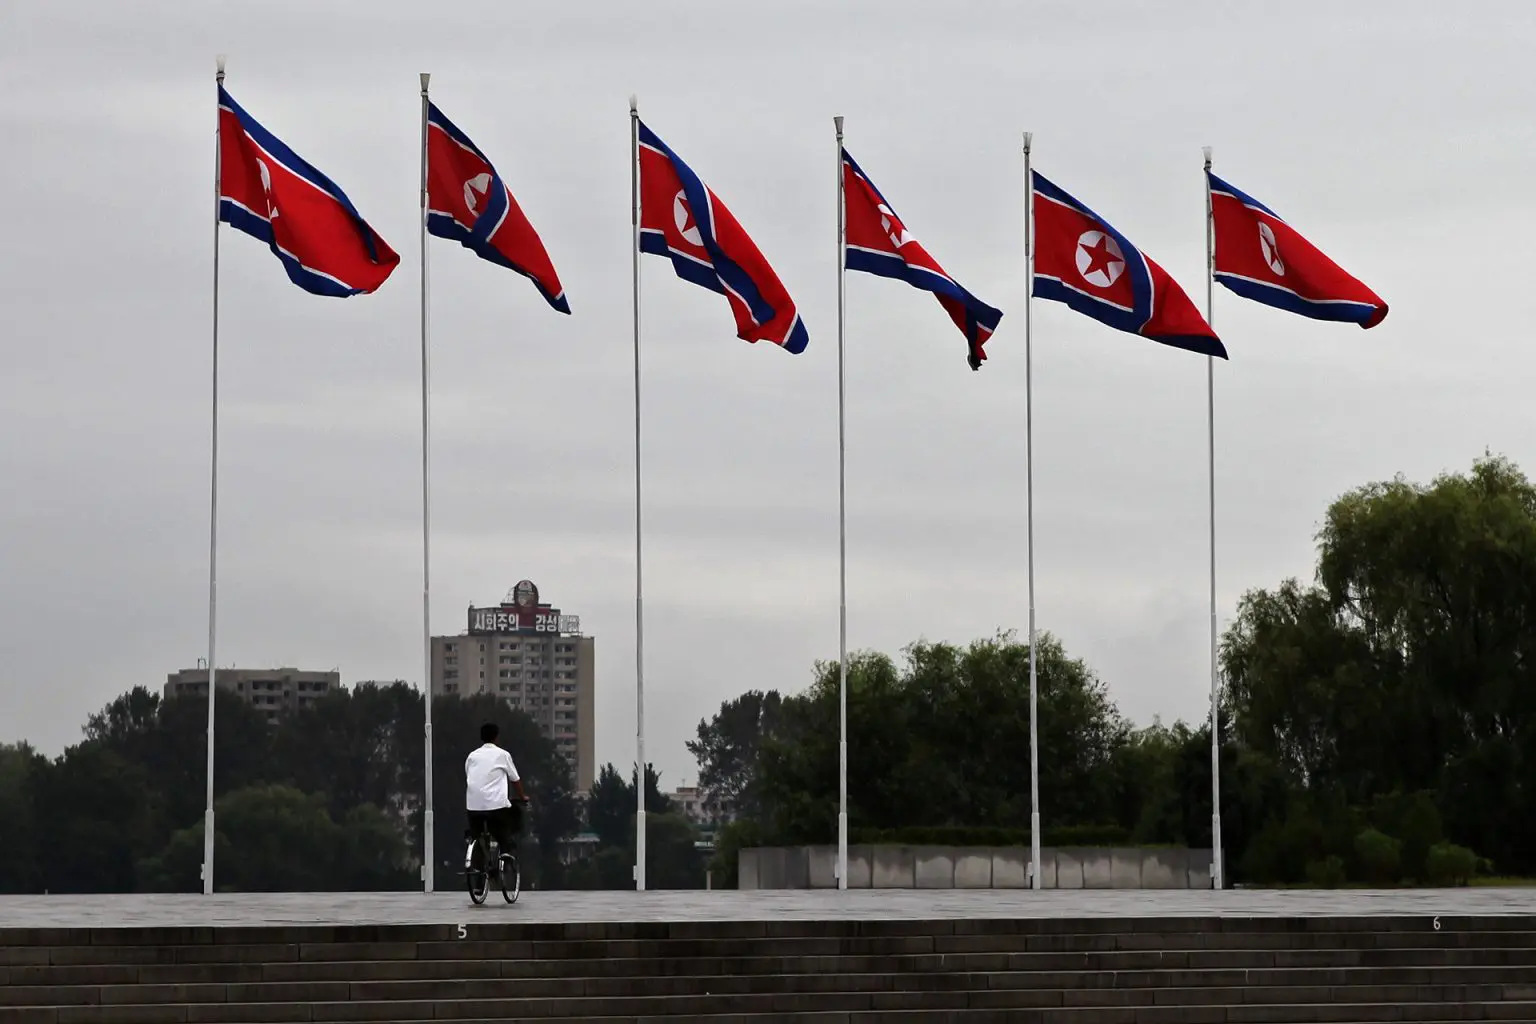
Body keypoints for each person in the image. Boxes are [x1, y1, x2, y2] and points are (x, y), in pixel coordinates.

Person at [465, 722, 527, 869]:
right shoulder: (503, 755)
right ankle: (506, 850)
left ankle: (478, 878)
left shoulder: (472, 756)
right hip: (496, 808)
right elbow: (515, 780)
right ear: (497, 737)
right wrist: (522, 797)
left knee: (478, 837)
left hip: (473, 807)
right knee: (509, 822)